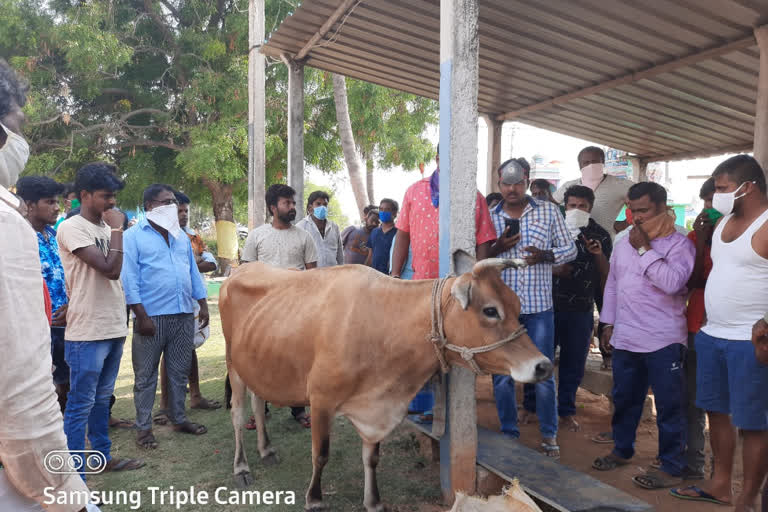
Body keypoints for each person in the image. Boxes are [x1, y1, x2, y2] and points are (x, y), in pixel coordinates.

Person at [0, 58, 102, 512]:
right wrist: (63, 490)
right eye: (16, 122)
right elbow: (22, 391)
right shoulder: (7, 226)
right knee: (70, 395)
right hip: (16, 473)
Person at [672, 155, 768, 511]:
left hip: (751, 342)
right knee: (716, 412)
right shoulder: (726, 220)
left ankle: (748, 498)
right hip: (713, 334)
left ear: (749, 187)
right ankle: (721, 485)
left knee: (754, 423)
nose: (718, 195)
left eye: (724, 189)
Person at [592, 182, 693, 490]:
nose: (636, 217)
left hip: (664, 340)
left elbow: (673, 283)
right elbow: (612, 284)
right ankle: (622, 450)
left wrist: (644, 248)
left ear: (664, 208)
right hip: (626, 338)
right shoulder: (623, 244)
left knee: (669, 406)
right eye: (632, 210)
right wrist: (608, 323)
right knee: (624, 399)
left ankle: (672, 465)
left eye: (644, 210)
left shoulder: (680, 245)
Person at [57, 162, 144, 477]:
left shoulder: (107, 230)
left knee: (101, 400)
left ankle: (101, 457)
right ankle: (74, 475)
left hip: (113, 327)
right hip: (87, 332)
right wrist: (119, 229)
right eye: (106, 196)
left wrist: (115, 229)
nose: (112, 203)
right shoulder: (72, 227)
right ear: (85, 195)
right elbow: (110, 269)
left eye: (113, 197)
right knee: (80, 405)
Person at [489, 159, 577, 459]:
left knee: (542, 374)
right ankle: (509, 433)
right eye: (505, 183)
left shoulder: (549, 211)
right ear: (498, 183)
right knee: (502, 375)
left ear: (526, 181)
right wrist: (497, 248)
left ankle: (549, 436)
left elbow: (571, 250)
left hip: (540, 308)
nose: (511, 189)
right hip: (502, 312)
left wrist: (545, 255)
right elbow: (480, 259)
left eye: (517, 182)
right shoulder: (490, 217)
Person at [122, 184, 210, 449]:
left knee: (178, 372)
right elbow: (129, 279)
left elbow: (193, 272)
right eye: (166, 202)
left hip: (183, 314)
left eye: (174, 202)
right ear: (149, 206)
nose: (173, 207)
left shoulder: (181, 237)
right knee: (145, 376)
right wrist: (141, 315)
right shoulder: (133, 236)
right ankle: (144, 429)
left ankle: (179, 418)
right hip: (151, 318)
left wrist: (203, 304)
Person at [241, 184, 317, 427]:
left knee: (298, 360)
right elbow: (246, 273)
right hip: (264, 312)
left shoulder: (304, 236)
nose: (292, 207)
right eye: (287, 203)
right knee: (261, 360)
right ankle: (259, 410)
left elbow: (313, 276)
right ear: (273, 208)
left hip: (297, 311)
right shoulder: (257, 235)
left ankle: (298, 409)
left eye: (293, 203)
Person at [551, 185, 611, 433]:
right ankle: (531, 406)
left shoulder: (601, 235)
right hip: (548, 307)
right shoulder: (553, 229)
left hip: (581, 308)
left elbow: (607, 274)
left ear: (590, 208)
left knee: (573, 364)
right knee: (540, 357)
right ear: (565, 206)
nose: (576, 210)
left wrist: (597, 254)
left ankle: (565, 411)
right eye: (572, 205)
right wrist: (554, 269)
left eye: (582, 206)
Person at [391, 145, 497, 279]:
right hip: (422, 284)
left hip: (459, 287)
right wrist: (395, 274)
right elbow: (402, 235)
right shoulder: (414, 192)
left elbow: (484, 242)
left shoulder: (474, 197)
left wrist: (478, 280)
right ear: (437, 159)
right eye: (448, 159)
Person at [16, 176, 70, 411]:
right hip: (36, 327)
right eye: (49, 202)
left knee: (67, 382)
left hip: (65, 322)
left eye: (57, 201)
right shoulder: (17, 236)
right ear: (29, 204)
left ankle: (68, 432)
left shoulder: (54, 235)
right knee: (43, 388)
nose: (57, 207)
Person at [680, 177, 717, 481]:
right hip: (697, 325)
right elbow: (692, 281)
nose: (709, 207)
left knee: (725, 406)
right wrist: (703, 240)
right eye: (706, 201)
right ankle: (694, 465)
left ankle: (722, 474)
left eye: (713, 200)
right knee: (692, 400)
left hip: (735, 330)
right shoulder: (695, 238)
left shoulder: (752, 236)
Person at [553, 146, 633, 239]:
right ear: (580, 165)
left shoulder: (621, 185)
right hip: (572, 242)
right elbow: (550, 206)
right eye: (586, 162)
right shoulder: (569, 185)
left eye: (595, 162)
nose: (591, 165)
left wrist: (625, 222)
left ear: (603, 162)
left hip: (605, 243)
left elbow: (641, 202)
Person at [296, 190, 344, 268]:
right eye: (318, 204)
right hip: (311, 276)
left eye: (325, 204)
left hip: (333, 275)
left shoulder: (334, 227)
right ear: (310, 207)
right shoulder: (301, 227)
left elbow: (340, 254)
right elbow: (297, 256)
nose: (322, 207)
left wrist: (341, 270)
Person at [366, 198, 399, 273]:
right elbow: (370, 255)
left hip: (389, 277)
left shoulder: (399, 234)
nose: (383, 212)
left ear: (394, 213)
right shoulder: (374, 232)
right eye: (381, 209)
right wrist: (364, 270)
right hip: (374, 275)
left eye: (387, 209)